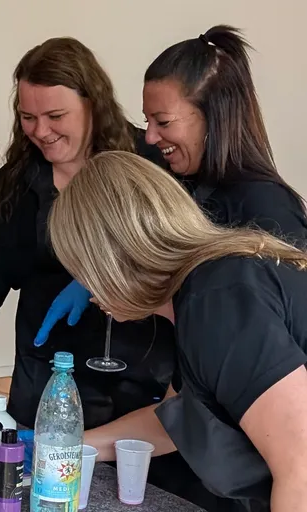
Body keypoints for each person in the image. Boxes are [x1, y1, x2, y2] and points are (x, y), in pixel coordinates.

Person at [0, 37, 174, 420]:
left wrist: (103, 278)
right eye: (28, 118)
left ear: (93, 103)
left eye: (55, 116)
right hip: (46, 377)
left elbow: (181, 261)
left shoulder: (148, 162)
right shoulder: (14, 187)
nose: (41, 130)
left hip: (139, 377)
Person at [49, 151, 307, 512]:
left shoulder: (217, 301)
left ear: (116, 258)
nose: (88, 291)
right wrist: (64, 448)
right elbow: (176, 420)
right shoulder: (201, 293)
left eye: (84, 270)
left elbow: (300, 470)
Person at [36, 25, 307, 345]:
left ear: (214, 116)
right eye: (147, 121)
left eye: (163, 122)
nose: (150, 137)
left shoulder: (267, 205)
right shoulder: (180, 185)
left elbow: (265, 334)